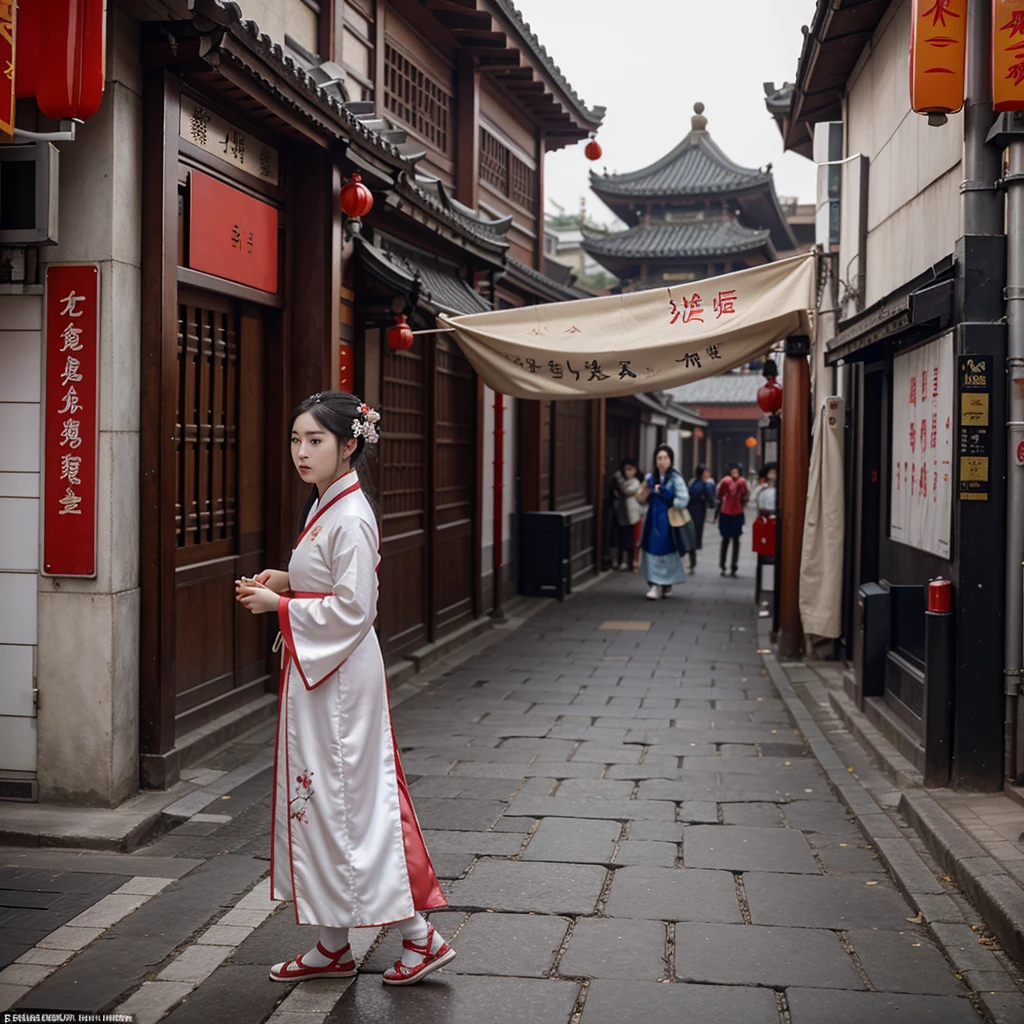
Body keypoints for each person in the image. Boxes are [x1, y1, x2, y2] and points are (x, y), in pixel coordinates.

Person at [236, 391, 454, 987]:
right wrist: (287, 580)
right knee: (328, 804)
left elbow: (356, 609)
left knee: (356, 804)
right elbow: (328, 581)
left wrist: (280, 604)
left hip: (338, 681)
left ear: (349, 444)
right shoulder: (329, 505)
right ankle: (333, 941)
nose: (301, 452)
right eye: (296, 440)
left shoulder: (351, 515)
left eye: (315, 441)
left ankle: (419, 935)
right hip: (322, 675)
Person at [639, 444, 690, 600]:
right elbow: (640, 498)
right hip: (653, 519)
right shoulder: (649, 478)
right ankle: (653, 584)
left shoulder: (676, 478)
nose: (662, 461)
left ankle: (668, 584)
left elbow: (683, 500)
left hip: (669, 520)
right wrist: (646, 491)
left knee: (669, 551)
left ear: (671, 460)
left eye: (665, 458)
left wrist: (666, 493)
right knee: (651, 550)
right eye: (659, 458)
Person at [717, 462, 749, 577]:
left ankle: (733, 565)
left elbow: (745, 495)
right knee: (725, 540)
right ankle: (723, 564)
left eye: (736, 471)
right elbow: (719, 495)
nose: (734, 473)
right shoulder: (725, 481)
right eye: (733, 471)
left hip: (737, 513)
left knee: (736, 540)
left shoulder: (742, 482)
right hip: (726, 512)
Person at [610, 458, 643, 571]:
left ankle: (630, 563)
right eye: (626, 469)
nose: (627, 472)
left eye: (630, 469)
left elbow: (626, 491)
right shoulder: (624, 482)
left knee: (631, 541)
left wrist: (618, 478)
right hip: (621, 515)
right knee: (621, 540)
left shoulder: (635, 482)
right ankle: (620, 561)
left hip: (633, 516)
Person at [686, 464, 716, 572]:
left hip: (690, 510)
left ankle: (692, 557)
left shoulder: (692, 483)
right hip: (699, 510)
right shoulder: (704, 485)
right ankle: (693, 557)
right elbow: (711, 499)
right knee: (696, 533)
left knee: (691, 533)